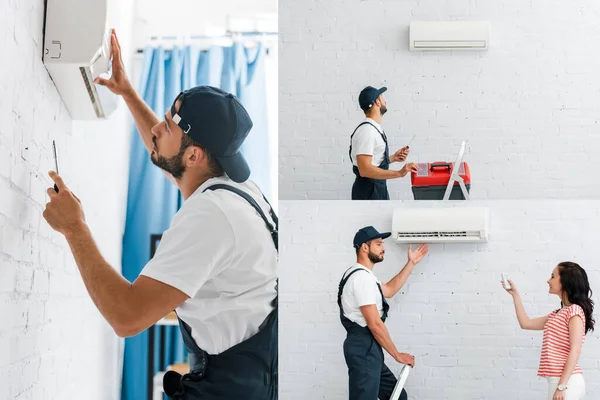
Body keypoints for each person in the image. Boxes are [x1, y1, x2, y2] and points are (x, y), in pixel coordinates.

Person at [42, 29, 278, 399]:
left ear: (195, 155)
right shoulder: (236, 189)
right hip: (251, 379)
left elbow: (127, 317)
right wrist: (128, 93)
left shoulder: (211, 216)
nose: (156, 127)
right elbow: (170, 160)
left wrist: (75, 228)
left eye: (166, 125)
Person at [337, 226, 429, 400]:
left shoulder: (363, 275)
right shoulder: (361, 279)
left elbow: (388, 290)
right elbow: (374, 324)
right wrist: (397, 355)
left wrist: (411, 263)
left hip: (369, 349)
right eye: (378, 244)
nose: (383, 248)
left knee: (397, 396)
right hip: (363, 347)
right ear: (365, 247)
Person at [503, 262, 595, 400]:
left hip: (567, 383)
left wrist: (561, 386)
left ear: (565, 281)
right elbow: (526, 323)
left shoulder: (574, 311)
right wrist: (515, 295)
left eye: (552, 276)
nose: (548, 280)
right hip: (558, 381)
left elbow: (575, 350)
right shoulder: (556, 314)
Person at [349, 86, 418, 200]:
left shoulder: (373, 129)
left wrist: (392, 158)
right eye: (382, 98)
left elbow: (373, 162)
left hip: (377, 189)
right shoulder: (367, 132)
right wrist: (399, 173)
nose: (385, 101)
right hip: (369, 193)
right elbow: (364, 169)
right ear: (377, 102)